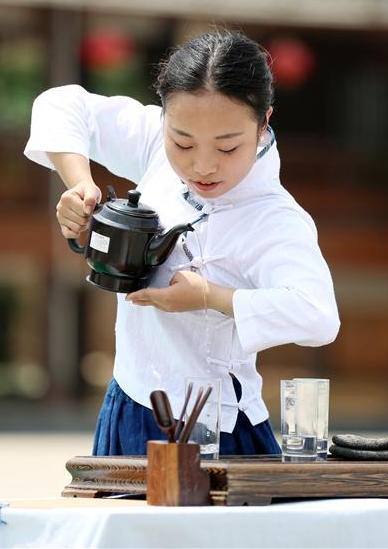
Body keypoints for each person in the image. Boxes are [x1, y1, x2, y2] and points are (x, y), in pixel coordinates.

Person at [24, 30, 340, 456]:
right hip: (130, 398)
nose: (202, 165)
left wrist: (210, 296)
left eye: (228, 147)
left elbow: (318, 316)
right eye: (183, 142)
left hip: (214, 428)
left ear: (264, 122)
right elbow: (60, 103)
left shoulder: (274, 217)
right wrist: (82, 187)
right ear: (164, 120)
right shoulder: (154, 146)